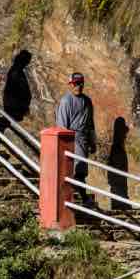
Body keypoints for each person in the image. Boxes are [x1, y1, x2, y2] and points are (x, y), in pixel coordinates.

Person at [54, 72, 97, 207]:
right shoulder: (66, 101)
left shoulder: (87, 101)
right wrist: (63, 144)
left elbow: (90, 124)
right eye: (75, 83)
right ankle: (82, 198)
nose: (78, 86)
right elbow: (62, 126)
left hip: (83, 139)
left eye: (80, 83)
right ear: (71, 84)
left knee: (81, 170)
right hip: (71, 138)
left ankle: (80, 198)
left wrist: (92, 141)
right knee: (73, 169)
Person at [2, 49, 33, 123]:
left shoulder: (17, 70)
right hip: (14, 107)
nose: (27, 63)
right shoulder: (16, 72)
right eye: (27, 61)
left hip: (15, 105)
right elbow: (19, 90)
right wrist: (23, 106)